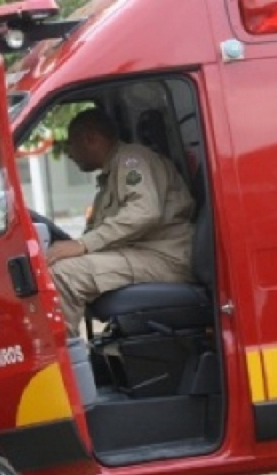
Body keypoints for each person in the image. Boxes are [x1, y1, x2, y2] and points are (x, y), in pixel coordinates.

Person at [47, 108, 195, 337]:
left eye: (71, 145)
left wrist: (83, 245)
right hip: (143, 255)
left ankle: (63, 356)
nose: (69, 154)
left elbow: (144, 212)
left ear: (90, 138)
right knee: (57, 266)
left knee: (62, 275)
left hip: (164, 258)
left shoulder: (132, 159)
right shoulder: (111, 175)